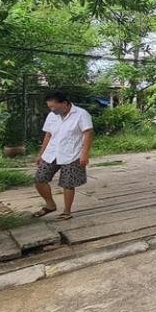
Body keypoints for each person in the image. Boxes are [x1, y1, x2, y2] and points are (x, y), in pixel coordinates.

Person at [33, 91, 94, 220]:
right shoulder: (52, 115)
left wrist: (85, 155)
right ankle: (50, 205)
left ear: (65, 103)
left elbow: (88, 133)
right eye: (50, 107)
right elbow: (48, 135)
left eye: (54, 107)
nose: (52, 110)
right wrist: (41, 154)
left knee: (68, 183)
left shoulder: (81, 114)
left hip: (72, 153)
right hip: (52, 153)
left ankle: (67, 211)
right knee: (40, 179)